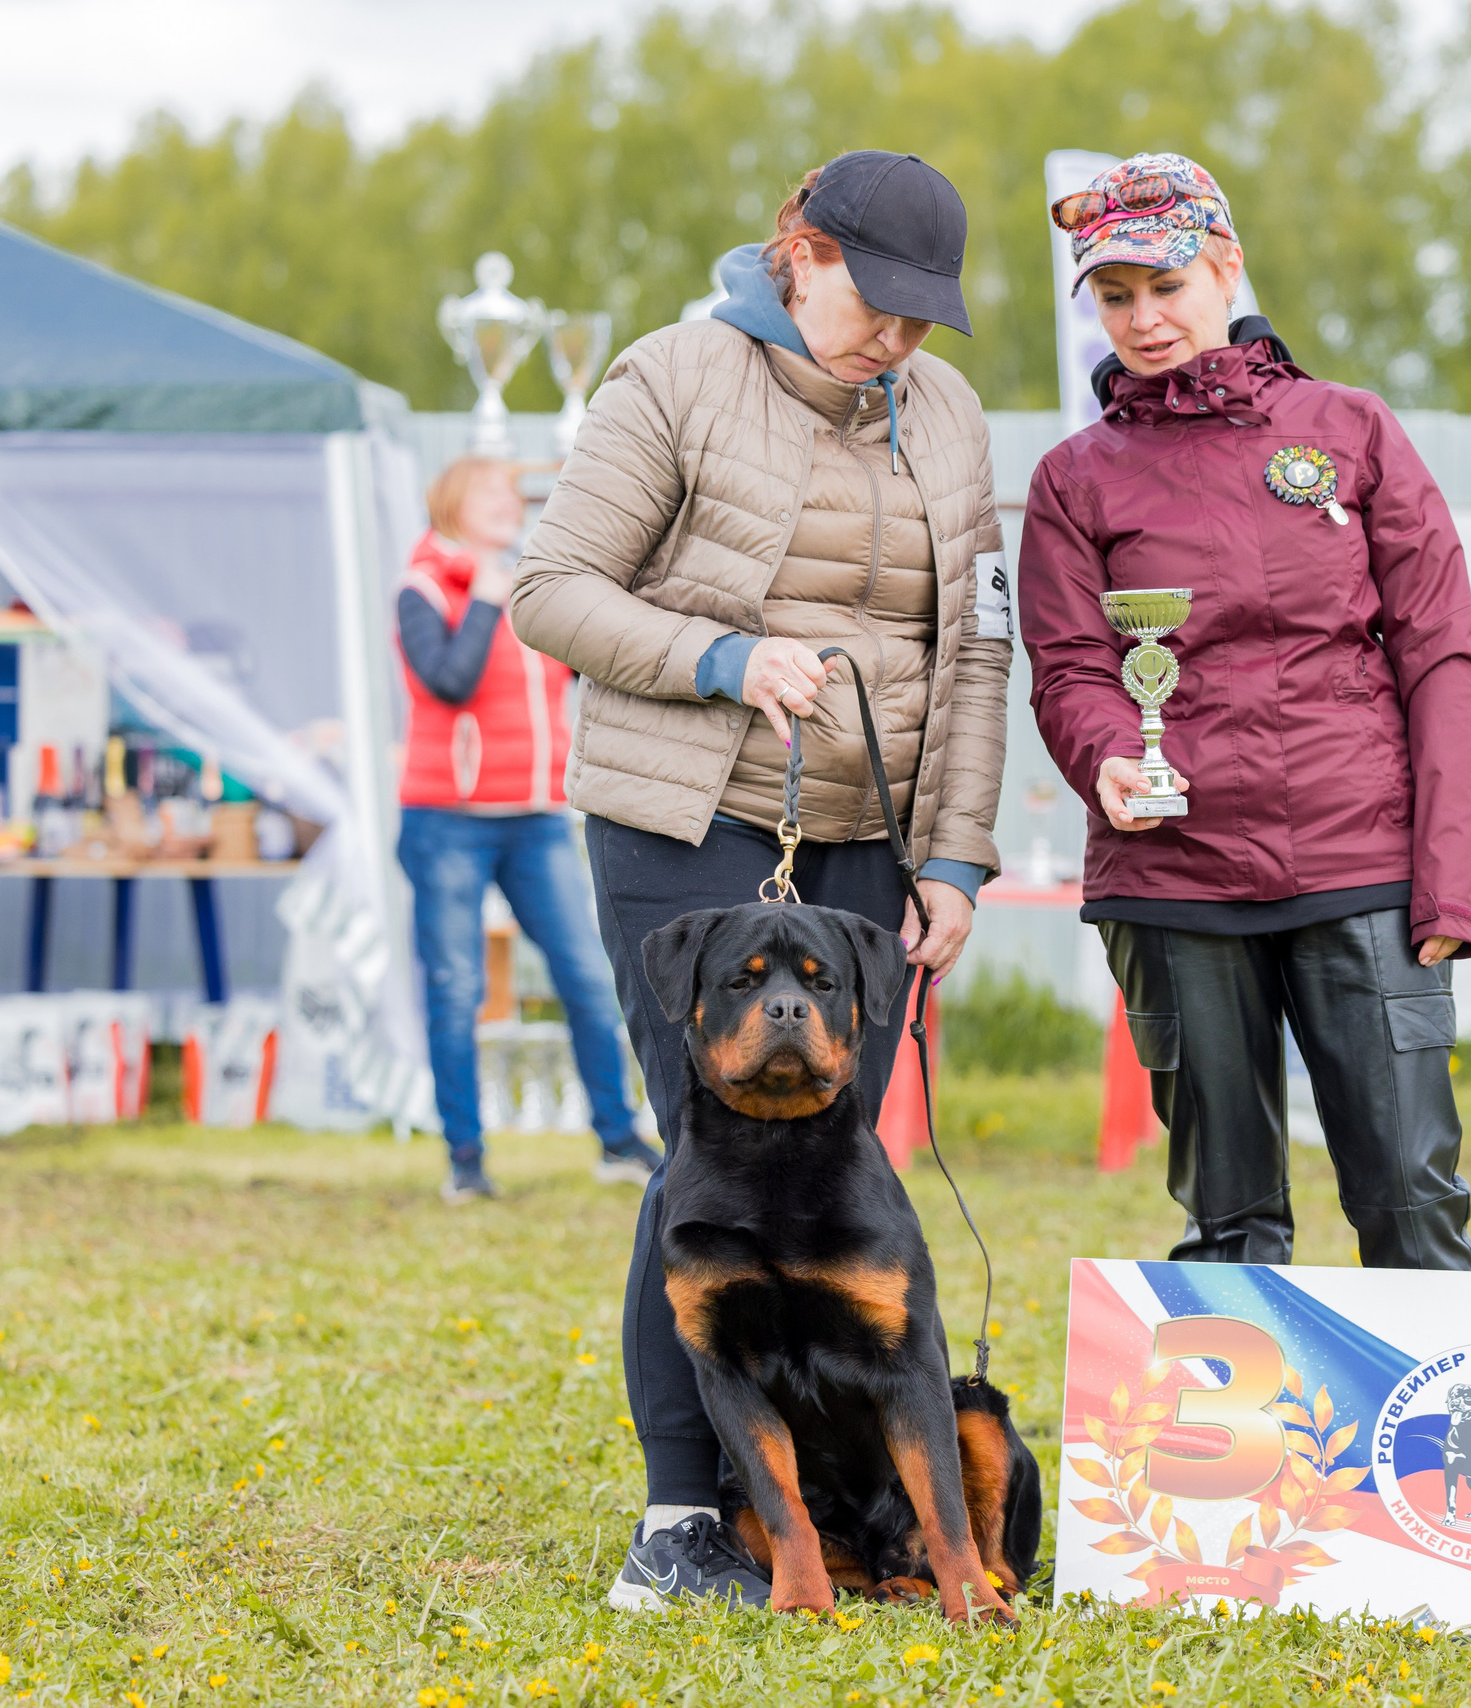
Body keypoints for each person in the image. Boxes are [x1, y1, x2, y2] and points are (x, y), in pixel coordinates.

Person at [510, 150, 1010, 1608]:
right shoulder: (672, 377)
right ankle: (682, 1518)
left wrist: (955, 855)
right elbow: (550, 590)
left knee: (838, 1159)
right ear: (800, 251)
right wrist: (723, 658)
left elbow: (977, 653)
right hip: (688, 819)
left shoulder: (949, 411)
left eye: (923, 316)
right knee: (709, 1162)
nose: (896, 339)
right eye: (876, 303)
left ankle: (837, 1508)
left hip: (866, 833)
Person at [1020, 152, 1471, 1272]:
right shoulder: (1073, 477)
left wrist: (1451, 873)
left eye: (1165, 286)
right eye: (1114, 296)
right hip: (1171, 875)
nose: (1142, 319)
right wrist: (1107, 759)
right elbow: (1071, 665)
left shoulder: (1353, 428)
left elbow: (1441, 654)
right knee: (1229, 1228)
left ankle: (1431, 1401)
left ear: (1226, 266)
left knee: (1412, 1202)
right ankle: (1237, 1397)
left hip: (1360, 865)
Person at [395, 457, 656, 1204]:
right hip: (446, 820)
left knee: (586, 975)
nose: (509, 503)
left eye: (513, 494)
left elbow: (575, 673)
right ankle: (465, 1158)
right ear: (451, 502)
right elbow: (448, 681)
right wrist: (484, 601)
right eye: (490, 491)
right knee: (457, 988)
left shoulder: (529, 587)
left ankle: (618, 1139)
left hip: (535, 817)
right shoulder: (422, 589)